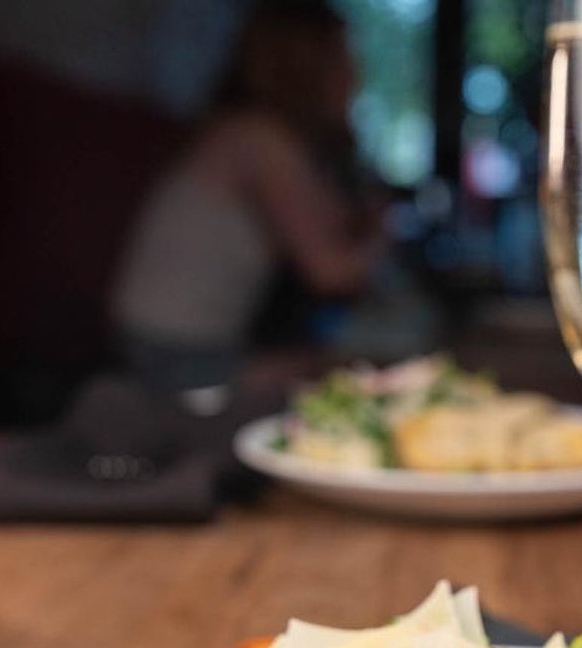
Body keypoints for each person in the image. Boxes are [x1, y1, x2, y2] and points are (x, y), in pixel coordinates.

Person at [110, 0, 383, 393]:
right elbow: (332, 273)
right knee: (344, 376)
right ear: (306, 67)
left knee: (338, 367)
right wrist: (386, 229)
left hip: (163, 343)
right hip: (168, 355)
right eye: (342, 58)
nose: (356, 75)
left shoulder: (248, 132)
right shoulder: (258, 139)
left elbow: (331, 222)